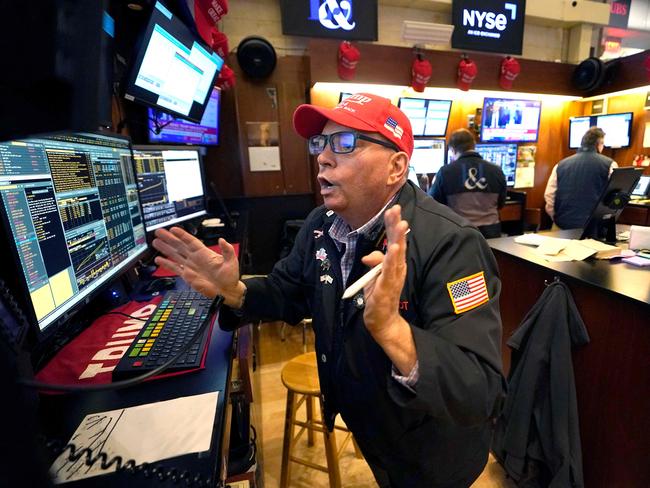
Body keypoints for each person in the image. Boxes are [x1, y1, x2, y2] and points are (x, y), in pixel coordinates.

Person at [152, 93, 505, 488]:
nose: (322, 157)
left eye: (346, 142)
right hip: (370, 427)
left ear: (396, 166)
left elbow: (480, 390)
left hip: (431, 449)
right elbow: (288, 292)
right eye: (321, 143)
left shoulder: (452, 243)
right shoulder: (322, 224)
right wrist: (234, 290)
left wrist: (392, 331)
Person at [429, 128, 507, 239]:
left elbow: (434, 204)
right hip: (492, 235)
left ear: (452, 150)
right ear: (474, 145)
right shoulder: (497, 170)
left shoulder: (446, 172)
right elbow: (501, 204)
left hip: (460, 234)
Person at [544, 126, 618, 229]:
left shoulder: (560, 165)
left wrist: (557, 219)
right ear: (599, 144)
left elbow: (550, 196)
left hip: (562, 226)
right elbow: (614, 196)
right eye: (603, 145)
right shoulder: (610, 164)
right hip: (593, 228)